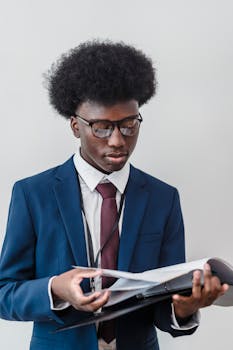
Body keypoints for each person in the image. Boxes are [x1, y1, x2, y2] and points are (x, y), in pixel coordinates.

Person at [0, 40, 228, 350]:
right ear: (75, 126)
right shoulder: (32, 194)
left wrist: (184, 308)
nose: (118, 140)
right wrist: (55, 289)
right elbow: (5, 293)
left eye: (129, 125)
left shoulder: (164, 198)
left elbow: (163, 302)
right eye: (102, 127)